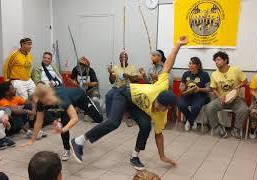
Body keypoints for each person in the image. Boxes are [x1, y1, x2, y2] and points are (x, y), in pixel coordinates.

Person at [70, 36, 188, 170]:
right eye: (157, 104)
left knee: (146, 125)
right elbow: (168, 65)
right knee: (113, 122)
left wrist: (162, 156)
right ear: (158, 98)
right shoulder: (160, 86)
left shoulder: (162, 115)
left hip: (135, 104)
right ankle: (79, 141)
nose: (157, 108)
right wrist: (177, 46)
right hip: (124, 94)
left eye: (162, 108)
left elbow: (159, 135)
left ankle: (134, 156)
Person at [22, 85, 103, 161]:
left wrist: (63, 129)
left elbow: (75, 118)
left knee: (99, 119)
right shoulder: (41, 102)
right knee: (64, 123)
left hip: (80, 97)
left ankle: (94, 102)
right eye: (44, 102)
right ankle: (67, 149)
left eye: (48, 100)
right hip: (66, 103)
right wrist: (32, 139)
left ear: (50, 94)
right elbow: (38, 122)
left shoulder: (61, 97)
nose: (46, 103)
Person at [205, 51, 249, 139]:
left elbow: (245, 81)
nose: (216, 62)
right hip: (222, 98)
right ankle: (218, 127)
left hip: (236, 98)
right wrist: (219, 96)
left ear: (225, 60)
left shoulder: (235, 70)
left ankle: (236, 129)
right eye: (215, 60)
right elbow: (213, 88)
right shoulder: (214, 74)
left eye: (218, 59)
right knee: (209, 107)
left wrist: (238, 86)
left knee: (244, 109)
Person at [106, 51, 139, 126]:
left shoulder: (132, 67)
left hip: (128, 88)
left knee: (131, 97)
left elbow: (136, 80)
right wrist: (111, 73)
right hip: (117, 88)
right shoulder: (115, 67)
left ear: (127, 58)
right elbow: (112, 81)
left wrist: (128, 76)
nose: (123, 59)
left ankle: (130, 118)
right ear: (119, 59)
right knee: (108, 95)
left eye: (124, 57)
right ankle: (109, 118)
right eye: (121, 57)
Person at [178, 57, 210, 131]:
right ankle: (192, 120)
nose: (191, 65)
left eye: (193, 63)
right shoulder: (186, 74)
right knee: (180, 104)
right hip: (187, 94)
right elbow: (182, 85)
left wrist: (199, 89)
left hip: (200, 95)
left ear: (198, 65)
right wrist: (182, 88)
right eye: (190, 63)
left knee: (196, 107)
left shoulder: (204, 74)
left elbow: (209, 89)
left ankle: (189, 121)